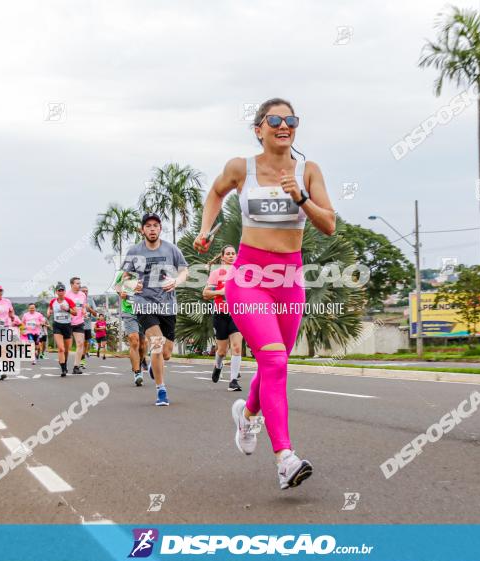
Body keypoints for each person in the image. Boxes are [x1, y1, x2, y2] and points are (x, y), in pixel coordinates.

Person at [194, 98, 335, 490]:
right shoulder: (242, 168)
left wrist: (302, 199)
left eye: (291, 119)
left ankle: (247, 414)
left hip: (288, 281)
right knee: (274, 361)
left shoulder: (308, 171)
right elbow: (215, 194)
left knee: (276, 363)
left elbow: (329, 225)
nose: (284, 125)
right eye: (275, 119)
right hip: (249, 277)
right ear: (259, 128)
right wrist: (206, 230)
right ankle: (285, 458)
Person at [121, 212, 189, 406]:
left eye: (155, 225)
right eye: (148, 225)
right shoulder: (135, 251)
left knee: (166, 353)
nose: (152, 228)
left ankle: (154, 364)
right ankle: (161, 390)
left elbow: (185, 270)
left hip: (167, 305)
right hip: (144, 304)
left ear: (160, 228)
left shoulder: (171, 249)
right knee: (157, 343)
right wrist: (132, 284)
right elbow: (124, 278)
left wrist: (176, 281)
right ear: (142, 229)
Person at [203, 245, 243, 391]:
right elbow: (206, 294)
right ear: (223, 257)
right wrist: (222, 291)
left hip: (237, 314)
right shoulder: (216, 273)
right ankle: (218, 365)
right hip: (220, 315)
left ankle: (233, 381)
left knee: (237, 347)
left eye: (233, 253)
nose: (231, 256)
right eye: (228, 254)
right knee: (221, 351)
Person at [114, 269, 147, 386]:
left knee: (143, 345)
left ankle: (140, 361)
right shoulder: (121, 274)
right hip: (129, 312)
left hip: (144, 311)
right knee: (134, 341)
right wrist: (120, 293)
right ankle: (137, 372)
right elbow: (117, 287)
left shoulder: (146, 271)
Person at [47, 283, 77, 377]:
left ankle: (65, 362)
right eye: (59, 290)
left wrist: (67, 309)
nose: (60, 292)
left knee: (67, 350)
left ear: (64, 291)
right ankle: (63, 369)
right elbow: (49, 309)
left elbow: (75, 312)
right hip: (57, 326)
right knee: (61, 348)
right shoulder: (53, 301)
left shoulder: (69, 301)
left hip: (67, 326)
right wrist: (49, 313)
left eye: (62, 290)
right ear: (56, 292)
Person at [64, 277, 88, 374]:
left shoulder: (82, 295)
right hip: (68, 322)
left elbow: (83, 307)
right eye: (77, 283)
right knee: (67, 346)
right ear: (72, 284)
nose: (79, 285)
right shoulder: (66, 295)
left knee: (80, 344)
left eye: (79, 283)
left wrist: (84, 312)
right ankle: (64, 365)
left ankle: (76, 367)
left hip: (79, 322)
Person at [80, 285, 100, 368]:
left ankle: (82, 360)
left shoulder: (90, 300)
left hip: (87, 326)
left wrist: (89, 308)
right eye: (83, 291)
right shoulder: (77, 300)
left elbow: (96, 314)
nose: (85, 292)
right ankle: (79, 360)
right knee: (79, 343)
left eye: (86, 291)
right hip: (78, 325)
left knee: (85, 343)